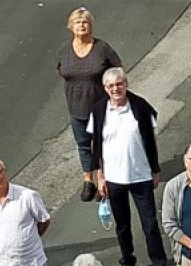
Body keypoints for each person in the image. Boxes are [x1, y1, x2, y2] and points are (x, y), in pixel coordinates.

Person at [88, 67, 176, 266]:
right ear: (105, 89)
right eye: (111, 86)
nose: (116, 89)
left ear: (126, 84)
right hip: (114, 178)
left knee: (150, 225)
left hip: (140, 175)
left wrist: (155, 170)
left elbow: (151, 140)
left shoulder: (140, 107)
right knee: (122, 226)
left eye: (119, 84)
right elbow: (95, 144)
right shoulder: (99, 110)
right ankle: (127, 261)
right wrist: (100, 176)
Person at [55, 7, 122, 203]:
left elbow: (118, 70)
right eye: (77, 22)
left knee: (102, 144)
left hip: (101, 106)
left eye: (85, 22)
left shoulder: (102, 48)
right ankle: (88, 180)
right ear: (71, 26)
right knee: (83, 144)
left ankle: (104, 178)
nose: (81, 25)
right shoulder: (64, 51)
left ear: (90, 26)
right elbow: (61, 71)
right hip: (76, 107)